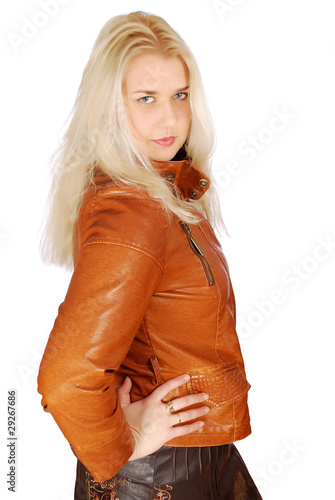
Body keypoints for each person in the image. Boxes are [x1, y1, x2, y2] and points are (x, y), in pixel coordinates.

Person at [37, 11, 262, 500]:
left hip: (197, 457)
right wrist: (124, 440)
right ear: (108, 107)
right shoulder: (133, 210)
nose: (171, 118)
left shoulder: (163, 190)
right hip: (160, 473)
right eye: (146, 99)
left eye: (180, 95)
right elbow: (65, 377)